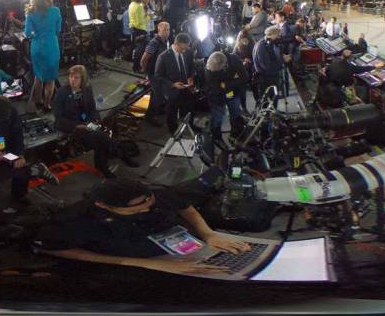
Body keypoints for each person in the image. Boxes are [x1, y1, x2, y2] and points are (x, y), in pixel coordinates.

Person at [36, 178, 251, 276]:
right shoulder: (77, 219)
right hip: (132, 266)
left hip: (188, 250)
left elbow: (185, 206)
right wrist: (145, 264)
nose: (147, 209)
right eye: (136, 209)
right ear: (103, 205)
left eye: (149, 203)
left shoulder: (156, 194)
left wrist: (208, 234)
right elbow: (54, 248)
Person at [52, 65, 139, 176]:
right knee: (101, 137)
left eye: (76, 77)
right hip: (72, 125)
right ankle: (122, 156)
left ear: (82, 79)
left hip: (87, 122)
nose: (72, 80)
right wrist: (77, 126)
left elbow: (92, 109)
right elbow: (58, 118)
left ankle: (103, 165)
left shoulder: (87, 89)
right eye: (71, 77)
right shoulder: (62, 92)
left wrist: (95, 119)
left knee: (101, 138)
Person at [24, 0, 62, 112]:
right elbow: (58, 30)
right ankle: (47, 105)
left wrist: (36, 33)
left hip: (37, 48)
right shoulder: (56, 11)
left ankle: (38, 102)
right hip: (51, 47)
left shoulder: (30, 13)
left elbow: (27, 34)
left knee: (38, 76)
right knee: (50, 79)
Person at [154, 33, 198, 137]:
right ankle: (173, 130)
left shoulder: (188, 52)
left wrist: (191, 77)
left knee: (190, 107)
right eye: (182, 49)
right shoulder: (163, 57)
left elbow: (192, 66)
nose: (184, 51)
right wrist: (173, 84)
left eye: (186, 48)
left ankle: (190, 125)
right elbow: (158, 76)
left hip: (186, 87)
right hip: (172, 90)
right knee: (172, 111)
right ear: (176, 44)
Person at [203, 51, 247, 154]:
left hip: (233, 93)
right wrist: (230, 82)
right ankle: (217, 138)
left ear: (224, 66)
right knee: (217, 118)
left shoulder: (234, 60)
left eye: (215, 70)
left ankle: (236, 134)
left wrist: (226, 84)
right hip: (216, 96)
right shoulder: (209, 68)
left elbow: (244, 77)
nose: (211, 71)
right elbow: (216, 87)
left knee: (235, 113)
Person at [251, 25, 288, 108]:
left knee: (272, 98)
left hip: (270, 76)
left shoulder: (267, 43)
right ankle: (268, 114)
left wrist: (281, 57)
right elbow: (266, 65)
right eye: (277, 35)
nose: (278, 37)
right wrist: (282, 60)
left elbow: (272, 57)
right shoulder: (261, 46)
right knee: (267, 100)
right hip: (266, 78)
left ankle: (272, 112)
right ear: (272, 34)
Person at [127, 0, 151, 72]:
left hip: (133, 29)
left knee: (137, 49)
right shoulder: (139, 7)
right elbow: (140, 21)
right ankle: (137, 68)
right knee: (140, 51)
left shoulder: (131, 4)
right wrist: (149, 17)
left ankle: (136, 67)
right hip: (140, 30)